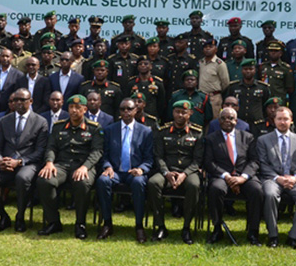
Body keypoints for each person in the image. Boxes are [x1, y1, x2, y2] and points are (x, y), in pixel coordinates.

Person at [36, 94, 105, 239]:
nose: (74, 111)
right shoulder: (58, 126)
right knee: (45, 180)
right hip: (61, 164)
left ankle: (80, 224)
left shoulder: (94, 128)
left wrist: (85, 167)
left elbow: (97, 151)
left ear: (85, 109)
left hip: (83, 165)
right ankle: (53, 221)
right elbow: (51, 147)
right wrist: (49, 162)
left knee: (82, 183)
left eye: (78, 108)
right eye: (71, 107)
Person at [0, 88, 49, 232]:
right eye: (15, 100)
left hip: (28, 163)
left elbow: (40, 151)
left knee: (22, 178)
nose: (18, 103)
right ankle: (2, 215)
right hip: (5, 163)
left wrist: (19, 161)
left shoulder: (40, 122)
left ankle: (20, 217)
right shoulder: (4, 120)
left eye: (22, 100)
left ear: (30, 101)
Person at [95, 99, 153, 242]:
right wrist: (107, 167)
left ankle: (139, 226)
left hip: (134, 173)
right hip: (115, 172)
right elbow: (104, 154)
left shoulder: (145, 131)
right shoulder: (110, 130)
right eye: (122, 109)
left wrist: (141, 169)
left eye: (129, 109)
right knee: (102, 181)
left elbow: (149, 158)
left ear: (136, 111)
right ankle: (107, 223)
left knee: (139, 183)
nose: (126, 112)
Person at [254, 106, 296, 249]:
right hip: (272, 179)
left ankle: (294, 236)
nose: (282, 122)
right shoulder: (263, 140)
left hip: (295, 180)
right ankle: (273, 235)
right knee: (270, 194)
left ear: (291, 121)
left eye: (285, 119)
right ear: (274, 121)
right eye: (279, 119)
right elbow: (262, 163)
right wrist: (277, 178)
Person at [203, 108, 262, 245]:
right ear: (219, 121)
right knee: (216, 189)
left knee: (257, 190)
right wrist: (226, 176)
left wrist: (243, 177)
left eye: (230, 118)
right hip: (222, 176)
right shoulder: (211, 139)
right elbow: (208, 162)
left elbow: (254, 161)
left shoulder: (248, 137)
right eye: (223, 118)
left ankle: (253, 232)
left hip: (244, 176)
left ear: (236, 121)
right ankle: (217, 229)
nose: (227, 121)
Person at [148, 100, 204, 244]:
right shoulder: (163, 131)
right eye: (177, 112)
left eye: (184, 112)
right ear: (173, 113)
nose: (180, 115)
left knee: (194, 186)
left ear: (190, 114)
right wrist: (166, 172)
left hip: (188, 172)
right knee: (153, 182)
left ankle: (186, 228)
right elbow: (158, 156)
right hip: (167, 171)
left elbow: (198, 160)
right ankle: (161, 226)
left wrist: (184, 174)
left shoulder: (197, 133)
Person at [224, 59, 270, 126]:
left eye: (251, 69)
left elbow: (265, 105)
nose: (248, 71)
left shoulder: (262, 87)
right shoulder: (234, 87)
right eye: (245, 69)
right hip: (239, 122)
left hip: (257, 123)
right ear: (242, 70)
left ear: (255, 70)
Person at [198, 38, 230, 120]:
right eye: (205, 47)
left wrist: (216, 93)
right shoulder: (200, 62)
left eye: (210, 47)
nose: (208, 49)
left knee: (214, 121)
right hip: (201, 96)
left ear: (216, 49)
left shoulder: (220, 64)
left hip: (214, 98)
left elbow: (225, 83)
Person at [0, 49, 25, 113]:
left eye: (7, 56)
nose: (5, 58)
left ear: (12, 58)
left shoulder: (18, 75)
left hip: (9, 111)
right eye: (3, 56)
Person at [259, 41, 293, 106]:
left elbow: (290, 88)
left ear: (280, 53)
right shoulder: (262, 66)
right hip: (264, 100)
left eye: (276, 51)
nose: (273, 53)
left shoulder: (285, 68)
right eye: (271, 51)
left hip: (279, 101)